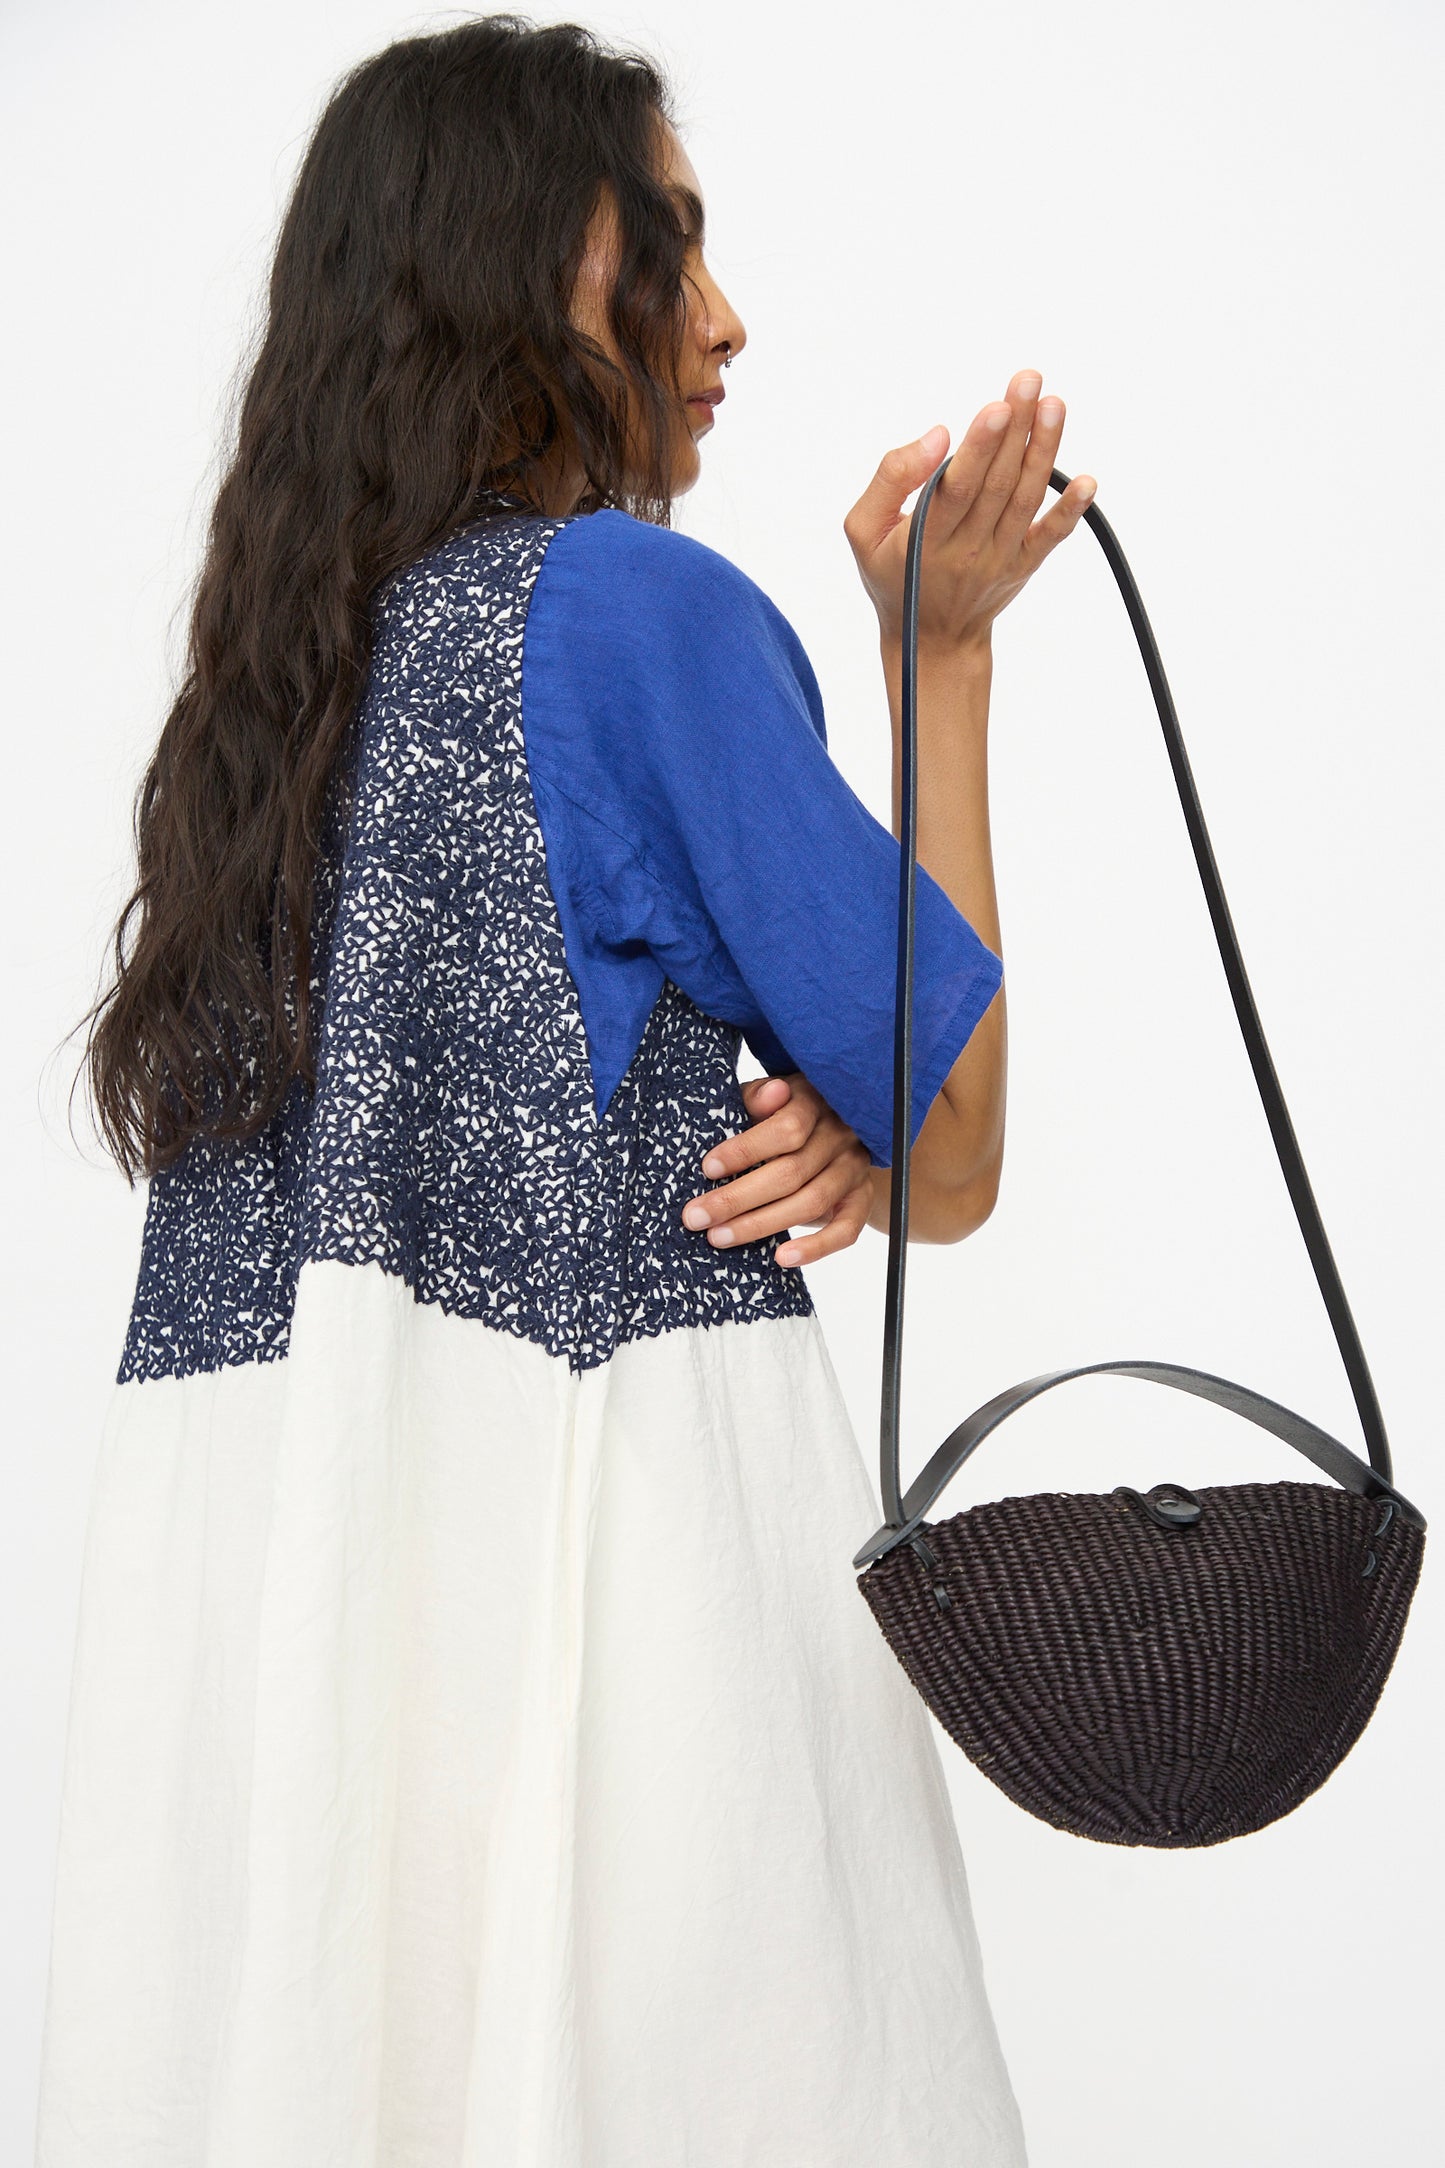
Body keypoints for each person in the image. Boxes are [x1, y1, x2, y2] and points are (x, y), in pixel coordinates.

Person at [34, 14, 1096, 2165]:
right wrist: (941, 661)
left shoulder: (271, 711)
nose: (724, 322)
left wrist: (843, 1142)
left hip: (279, 1660)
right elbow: (958, 1134)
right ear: (524, 270)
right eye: (670, 252)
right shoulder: (629, 614)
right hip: (626, 1638)